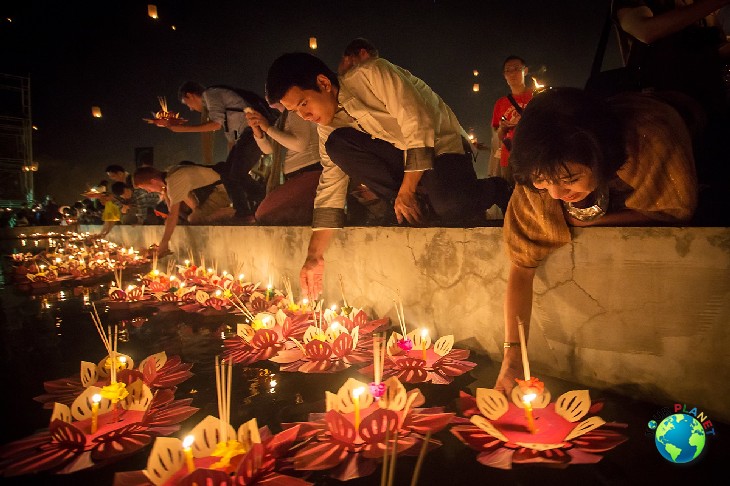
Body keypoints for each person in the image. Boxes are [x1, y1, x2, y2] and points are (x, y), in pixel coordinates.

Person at [494, 88, 698, 395]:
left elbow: (674, 209)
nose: (556, 195)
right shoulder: (541, 174)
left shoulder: (648, 141)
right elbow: (522, 266)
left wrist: (584, 222)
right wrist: (511, 356)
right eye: (543, 182)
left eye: (571, 180)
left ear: (600, 159)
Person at [266, 52, 513, 298]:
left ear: (323, 83)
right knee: (336, 144)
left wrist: (406, 191)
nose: (305, 116)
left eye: (303, 104)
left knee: (452, 207)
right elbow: (330, 187)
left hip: (443, 151)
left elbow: (419, 125)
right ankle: (412, 206)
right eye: (296, 112)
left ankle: (496, 188)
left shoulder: (373, 75)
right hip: (407, 167)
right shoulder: (328, 129)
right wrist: (314, 256)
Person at [158, 82, 274, 220]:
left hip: (252, 131)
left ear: (190, 95)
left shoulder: (211, 94)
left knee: (237, 175)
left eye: (187, 103)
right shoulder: (216, 102)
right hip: (245, 136)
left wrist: (183, 129)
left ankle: (266, 202)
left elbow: (216, 124)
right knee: (226, 173)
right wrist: (231, 159)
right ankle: (244, 212)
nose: (190, 108)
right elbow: (231, 138)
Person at [246, 100, 322, 225]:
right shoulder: (283, 119)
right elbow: (269, 149)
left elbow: (299, 144)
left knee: (265, 214)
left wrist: (268, 128)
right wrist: (257, 129)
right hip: (297, 177)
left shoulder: (296, 112)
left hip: (310, 172)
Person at [133, 164, 236, 255]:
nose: (149, 192)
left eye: (146, 188)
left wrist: (164, 243)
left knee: (194, 219)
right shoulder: (169, 178)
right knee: (192, 215)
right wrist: (165, 193)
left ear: (153, 181)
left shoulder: (174, 179)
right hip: (208, 192)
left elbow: (173, 215)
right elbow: (173, 213)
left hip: (223, 189)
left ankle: (236, 211)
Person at [490, 55, 534, 182]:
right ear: (504, 75)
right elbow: (498, 136)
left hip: (533, 155)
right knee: (511, 197)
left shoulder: (537, 97)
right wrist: (503, 128)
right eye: (508, 70)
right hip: (509, 157)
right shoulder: (500, 103)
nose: (512, 73)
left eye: (516, 68)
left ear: (525, 71)